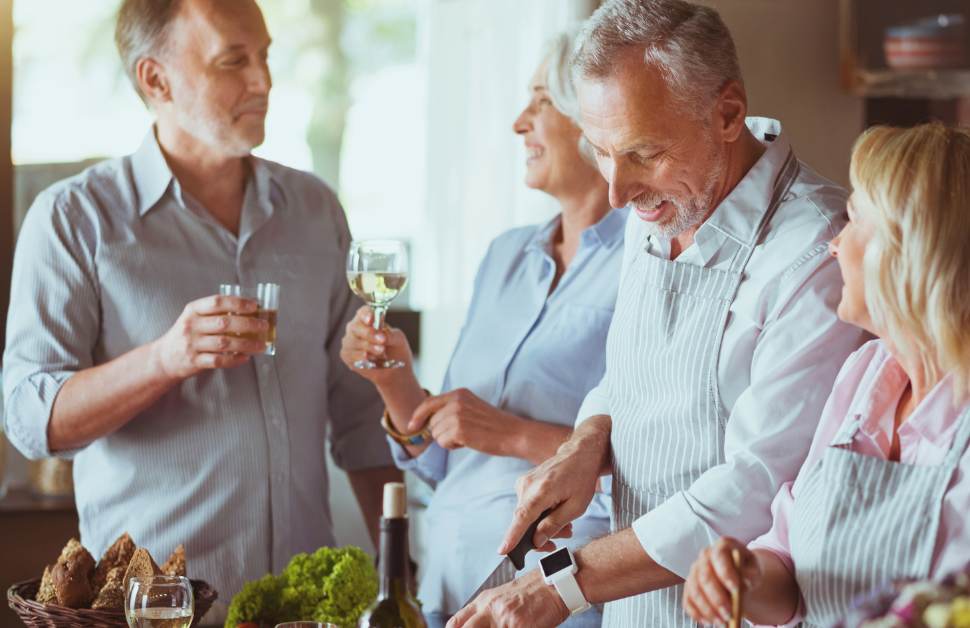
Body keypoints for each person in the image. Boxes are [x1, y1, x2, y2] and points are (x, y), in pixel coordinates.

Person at [451, 1, 868, 626]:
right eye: (600, 152)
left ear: (728, 114)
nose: (616, 193)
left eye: (643, 154)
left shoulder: (817, 252)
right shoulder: (656, 209)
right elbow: (629, 375)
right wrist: (587, 443)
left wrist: (558, 587)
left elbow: (754, 486)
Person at [2, 0, 402, 608]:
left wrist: (400, 577)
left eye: (264, 56)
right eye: (233, 60)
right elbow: (31, 422)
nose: (263, 80)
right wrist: (164, 359)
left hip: (298, 612)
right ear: (155, 79)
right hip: (155, 615)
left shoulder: (317, 211)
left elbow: (360, 420)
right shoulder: (72, 220)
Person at [681, 123, 970, 627]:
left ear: (914, 254)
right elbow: (790, 562)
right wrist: (744, 577)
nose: (834, 245)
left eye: (853, 221)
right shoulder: (865, 376)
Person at [339, 30, 625, 628]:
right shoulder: (504, 256)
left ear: (595, 120)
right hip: (449, 586)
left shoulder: (646, 260)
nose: (521, 122)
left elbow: (661, 455)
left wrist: (512, 434)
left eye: (541, 100)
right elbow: (439, 457)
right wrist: (396, 385)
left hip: (555, 599)